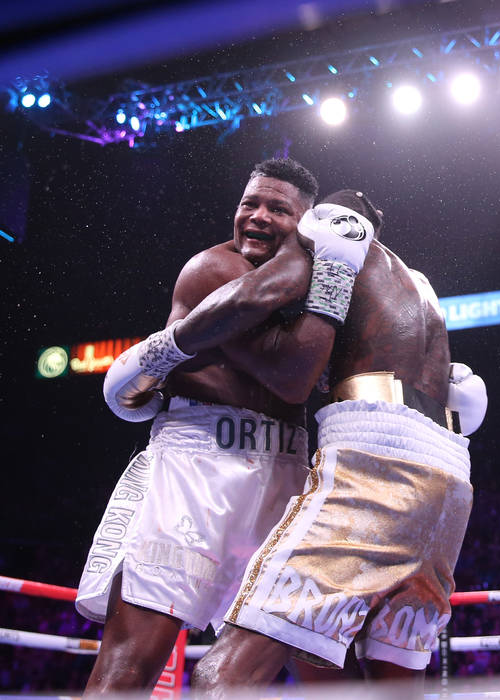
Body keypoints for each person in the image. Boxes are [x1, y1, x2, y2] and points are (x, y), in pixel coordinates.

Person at [145, 188, 486, 693]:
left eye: (285, 215)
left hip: (376, 457)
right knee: (395, 686)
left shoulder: (331, 231)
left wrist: (159, 352)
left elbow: (252, 295)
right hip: (450, 479)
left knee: (222, 673)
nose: (274, 225)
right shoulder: (417, 285)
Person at [77, 158, 330, 693]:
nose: (257, 217)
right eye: (248, 204)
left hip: (285, 471)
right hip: (197, 468)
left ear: (306, 224)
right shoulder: (213, 273)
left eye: (277, 209)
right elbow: (291, 379)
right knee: (132, 658)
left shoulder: (316, 288)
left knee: (320, 661)